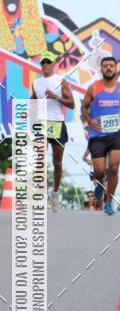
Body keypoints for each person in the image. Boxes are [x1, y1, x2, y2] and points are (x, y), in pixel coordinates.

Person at [30, 52, 74, 211]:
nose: (45, 66)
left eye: (48, 62)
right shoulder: (36, 82)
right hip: (42, 122)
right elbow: (33, 99)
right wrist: (26, 111)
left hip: (57, 123)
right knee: (40, 160)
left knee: (57, 162)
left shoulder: (62, 82)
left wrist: (56, 97)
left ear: (54, 64)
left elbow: (72, 104)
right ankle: (39, 195)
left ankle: (55, 193)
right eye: (43, 63)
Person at [81, 55, 120, 216]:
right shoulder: (94, 88)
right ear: (101, 69)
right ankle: (99, 184)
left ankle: (109, 203)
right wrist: (89, 121)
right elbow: (84, 108)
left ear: (116, 68)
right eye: (106, 66)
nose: (109, 68)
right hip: (97, 136)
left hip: (117, 134)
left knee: (113, 168)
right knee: (98, 171)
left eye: (112, 65)